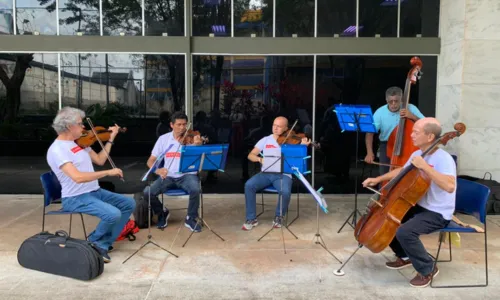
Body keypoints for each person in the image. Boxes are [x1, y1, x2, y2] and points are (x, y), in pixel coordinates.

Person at [362, 117, 457, 288]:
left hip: (437, 212)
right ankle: (405, 256)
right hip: (419, 205)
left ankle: (427, 269)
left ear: (430, 137)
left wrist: (425, 166)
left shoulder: (444, 159)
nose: (411, 134)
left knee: (405, 232)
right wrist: (377, 179)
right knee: (387, 221)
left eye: (416, 132)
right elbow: (401, 171)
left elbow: (450, 186)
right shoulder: (417, 154)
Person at [46, 107, 135, 263]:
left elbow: (100, 160)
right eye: (80, 124)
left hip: (94, 191)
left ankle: (103, 243)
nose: (84, 127)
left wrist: (111, 139)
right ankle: (94, 242)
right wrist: (108, 173)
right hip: (74, 197)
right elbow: (78, 177)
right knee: (113, 214)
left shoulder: (80, 143)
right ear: (69, 126)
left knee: (128, 203)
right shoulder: (57, 150)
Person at [242, 116, 310, 230]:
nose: (276, 128)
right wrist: (260, 159)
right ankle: (251, 218)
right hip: (266, 173)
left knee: (285, 191)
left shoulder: (292, 141)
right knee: (249, 185)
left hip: (283, 174)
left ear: (286, 128)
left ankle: (279, 216)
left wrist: (303, 146)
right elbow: (251, 155)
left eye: (279, 126)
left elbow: (300, 157)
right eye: (274, 125)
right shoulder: (265, 140)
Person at [143, 112, 203, 232]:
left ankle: (190, 218)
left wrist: (199, 146)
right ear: (171, 125)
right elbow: (150, 161)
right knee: (147, 193)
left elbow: (201, 159)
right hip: (168, 176)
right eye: (179, 124)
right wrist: (158, 170)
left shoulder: (191, 138)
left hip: (187, 175)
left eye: (184, 125)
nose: (182, 128)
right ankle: (162, 213)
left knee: (196, 189)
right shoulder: (163, 139)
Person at [365, 86, 425, 175]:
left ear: (402, 99)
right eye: (390, 101)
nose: (393, 104)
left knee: (407, 173)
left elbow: (426, 124)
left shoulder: (411, 108)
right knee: (384, 174)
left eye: (396, 101)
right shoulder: (380, 112)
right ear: (386, 100)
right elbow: (370, 133)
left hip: (407, 145)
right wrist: (369, 152)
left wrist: (412, 116)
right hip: (386, 145)